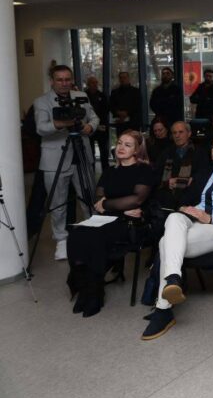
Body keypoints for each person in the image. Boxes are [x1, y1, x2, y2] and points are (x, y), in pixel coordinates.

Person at [141, 135, 213, 340]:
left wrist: (210, 217)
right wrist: (184, 207)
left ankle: (163, 308)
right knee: (174, 217)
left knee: (165, 243)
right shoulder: (203, 174)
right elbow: (184, 198)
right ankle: (172, 281)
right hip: (192, 222)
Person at [66, 131, 152, 317]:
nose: (121, 147)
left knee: (95, 236)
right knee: (75, 234)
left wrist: (108, 205)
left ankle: (94, 292)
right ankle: (84, 286)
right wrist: (117, 206)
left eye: (127, 145)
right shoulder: (110, 171)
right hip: (107, 218)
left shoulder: (144, 170)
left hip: (131, 223)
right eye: (119, 143)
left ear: (137, 150)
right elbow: (98, 199)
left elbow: (136, 200)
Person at [33, 65, 99, 260]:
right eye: (59, 79)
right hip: (55, 159)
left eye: (67, 79)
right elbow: (41, 128)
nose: (64, 83)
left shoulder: (81, 96)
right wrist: (64, 123)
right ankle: (61, 240)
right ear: (52, 81)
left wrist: (89, 126)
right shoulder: (42, 101)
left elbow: (94, 117)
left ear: (72, 80)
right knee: (58, 203)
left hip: (81, 154)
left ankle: (93, 235)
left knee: (88, 197)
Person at [152, 121, 210, 223]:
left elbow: (206, 173)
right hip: (167, 200)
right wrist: (167, 182)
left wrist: (193, 179)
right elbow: (155, 175)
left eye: (181, 132)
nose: (177, 136)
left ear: (189, 133)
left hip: (191, 200)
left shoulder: (200, 152)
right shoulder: (166, 152)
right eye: (174, 133)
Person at [84, 75, 110, 172]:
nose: (94, 84)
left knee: (104, 151)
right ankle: (91, 171)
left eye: (96, 83)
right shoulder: (84, 96)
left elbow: (106, 110)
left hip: (102, 126)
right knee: (90, 151)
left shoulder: (102, 95)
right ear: (88, 84)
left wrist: (99, 123)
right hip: (89, 126)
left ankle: (106, 172)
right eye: (92, 83)